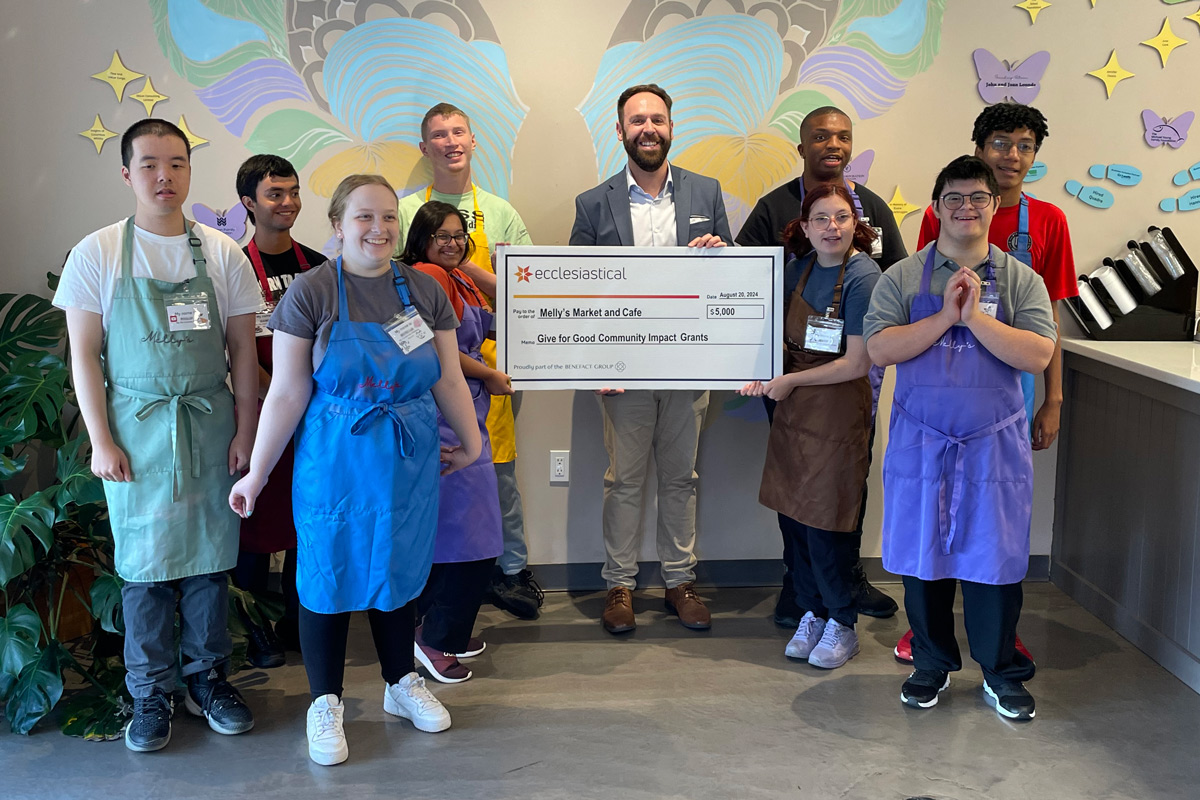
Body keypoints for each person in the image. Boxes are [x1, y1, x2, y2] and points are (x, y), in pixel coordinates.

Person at [229, 175, 482, 766]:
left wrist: (471, 445)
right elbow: (288, 393)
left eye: (390, 217)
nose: (380, 229)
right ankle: (325, 702)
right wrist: (257, 475)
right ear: (338, 225)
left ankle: (400, 683)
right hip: (335, 457)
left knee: (397, 568)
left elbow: (446, 376)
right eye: (365, 217)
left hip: (406, 456)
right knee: (326, 575)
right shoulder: (312, 293)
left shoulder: (423, 291)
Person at [55, 119, 260, 752]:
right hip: (136, 431)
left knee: (208, 562)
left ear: (190, 172)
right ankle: (149, 691)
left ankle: (207, 679)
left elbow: (244, 355)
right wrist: (101, 440)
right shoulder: (98, 252)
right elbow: (84, 356)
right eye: (148, 164)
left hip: (209, 424)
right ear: (127, 173)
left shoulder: (223, 255)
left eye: (176, 163)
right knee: (143, 568)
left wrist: (246, 434)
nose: (163, 176)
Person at [864, 155, 1056, 721]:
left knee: (992, 561)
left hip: (993, 444)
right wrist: (945, 316)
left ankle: (1000, 671)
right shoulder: (901, 277)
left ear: (994, 206)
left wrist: (975, 319)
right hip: (922, 442)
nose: (966, 208)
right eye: (954, 198)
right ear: (936, 207)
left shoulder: (1023, 280)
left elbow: (1038, 353)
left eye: (978, 197)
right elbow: (879, 350)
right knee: (923, 560)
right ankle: (931, 663)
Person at [895, 103, 1077, 665]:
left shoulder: (1048, 222)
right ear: (979, 148)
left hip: (1008, 395)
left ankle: (997, 642)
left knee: (993, 529)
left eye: (1025, 145)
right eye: (1001, 142)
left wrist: (1053, 398)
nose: (1012, 155)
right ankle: (930, 640)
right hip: (936, 396)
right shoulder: (941, 218)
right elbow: (908, 315)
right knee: (931, 520)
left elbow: (1051, 325)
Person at [569, 83, 731, 634]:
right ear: (620, 131)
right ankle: (619, 585)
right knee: (625, 480)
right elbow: (579, 290)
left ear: (670, 126)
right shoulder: (593, 204)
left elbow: (732, 280)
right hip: (624, 370)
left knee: (681, 478)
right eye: (636, 121)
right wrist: (596, 364)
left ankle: (679, 582)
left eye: (657, 119)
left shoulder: (706, 193)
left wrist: (722, 256)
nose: (648, 129)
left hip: (690, 364)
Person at [736, 105, 905, 626]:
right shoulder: (773, 206)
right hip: (787, 382)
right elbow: (743, 280)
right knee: (796, 484)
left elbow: (897, 283)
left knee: (845, 484)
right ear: (802, 146)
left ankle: (846, 582)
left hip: (851, 383)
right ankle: (801, 585)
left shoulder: (871, 208)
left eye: (843, 137)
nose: (833, 145)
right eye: (820, 136)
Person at [399, 103, 543, 620]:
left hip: (490, 372)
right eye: (439, 134)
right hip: (437, 381)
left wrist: (471, 268)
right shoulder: (404, 208)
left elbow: (525, 289)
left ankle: (506, 570)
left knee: (496, 474)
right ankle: (440, 589)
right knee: (443, 479)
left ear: (473, 140)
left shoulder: (501, 211)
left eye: (458, 131)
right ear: (425, 147)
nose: (450, 141)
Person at [739, 183, 881, 669]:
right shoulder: (796, 271)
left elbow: (858, 363)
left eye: (841, 217)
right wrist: (765, 374)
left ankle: (842, 622)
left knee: (827, 521)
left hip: (837, 411)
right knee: (794, 518)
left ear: (854, 224)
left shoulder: (863, 274)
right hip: (795, 413)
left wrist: (790, 381)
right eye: (820, 218)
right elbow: (773, 337)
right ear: (804, 226)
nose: (832, 228)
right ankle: (813, 611)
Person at [402, 201, 510, 683]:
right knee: (466, 535)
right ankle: (433, 638)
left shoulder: (456, 277)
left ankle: (441, 626)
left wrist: (467, 263)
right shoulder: (424, 276)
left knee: (461, 532)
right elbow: (434, 349)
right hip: (445, 418)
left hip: (467, 416)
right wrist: (488, 373)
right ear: (421, 239)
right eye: (440, 235)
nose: (450, 242)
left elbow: (500, 314)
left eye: (457, 235)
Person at [231, 153, 328, 667]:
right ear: (249, 203)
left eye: (293, 192)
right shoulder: (234, 265)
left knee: (303, 523)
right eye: (275, 194)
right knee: (255, 525)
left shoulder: (318, 266)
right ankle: (252, 630)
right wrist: (275, 398)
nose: (288, 203)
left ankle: (297, 622)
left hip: (314, 421)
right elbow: (233, 348)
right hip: (260, 416)